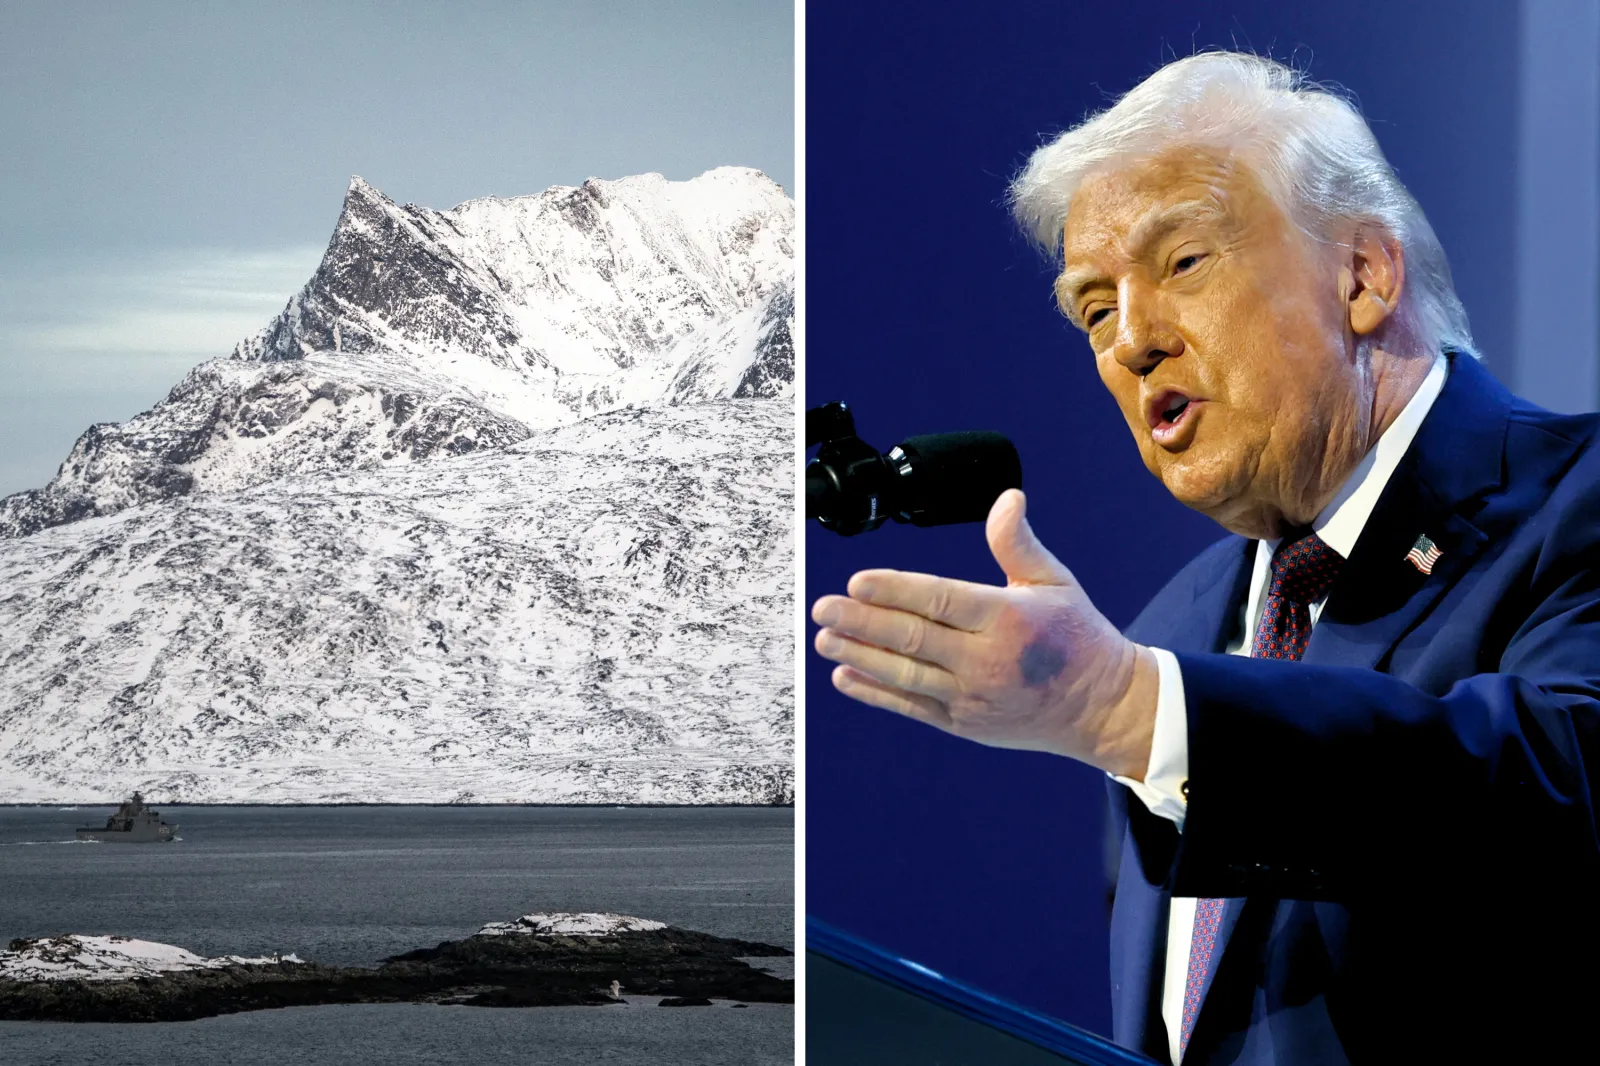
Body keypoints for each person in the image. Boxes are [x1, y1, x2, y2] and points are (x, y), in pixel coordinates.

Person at [811, 52, 1600, 1064]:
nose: (1130, 341)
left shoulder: (1575, 500)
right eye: (1095, 309)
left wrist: (1135, 715)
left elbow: (1557, 796)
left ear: (1362, 273)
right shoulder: (1173, 631)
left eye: (1181, 263)